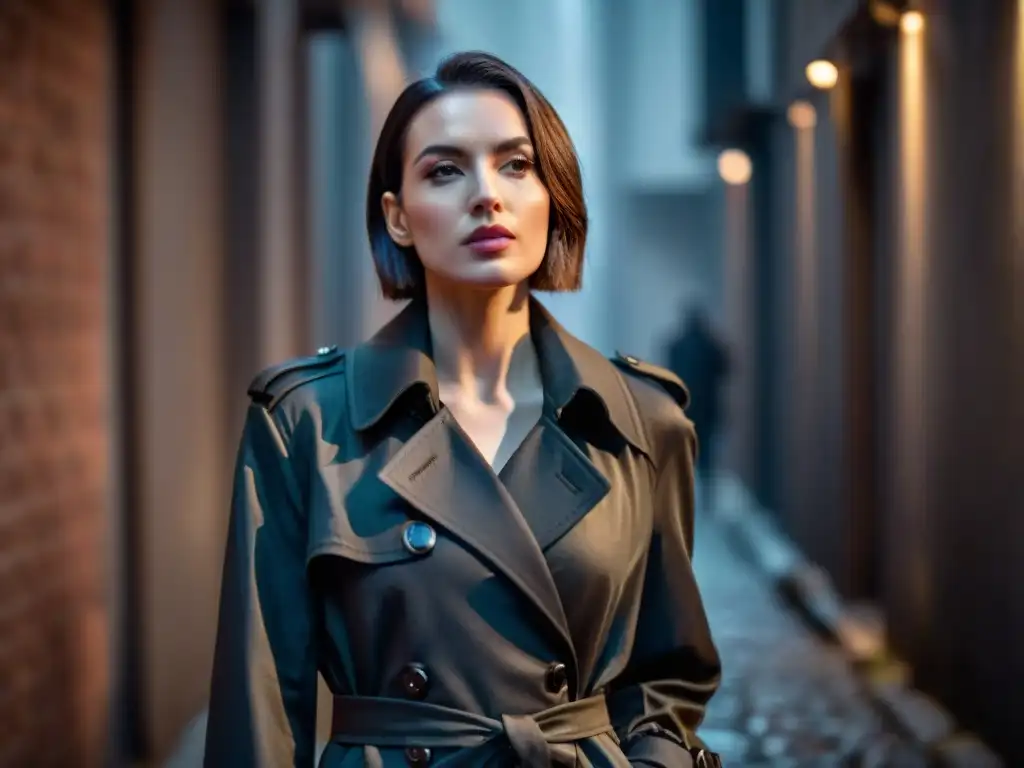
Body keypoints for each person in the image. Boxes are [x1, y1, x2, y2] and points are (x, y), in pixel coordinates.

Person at [204, 52, 722, 768]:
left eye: (516, 165)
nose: (487, 195)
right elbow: (258, 705)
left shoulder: (639, 421)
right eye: (445, 171)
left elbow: (668, 673)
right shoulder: (309, 423)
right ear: (399, 217)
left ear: (554, 195)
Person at [666, 307, 731, 516]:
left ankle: (682, 500)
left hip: (683, 411)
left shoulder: (676, 346)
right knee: (707, 458)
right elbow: (726, 368)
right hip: (708, 410)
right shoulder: (710, 346)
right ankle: (706, 501)